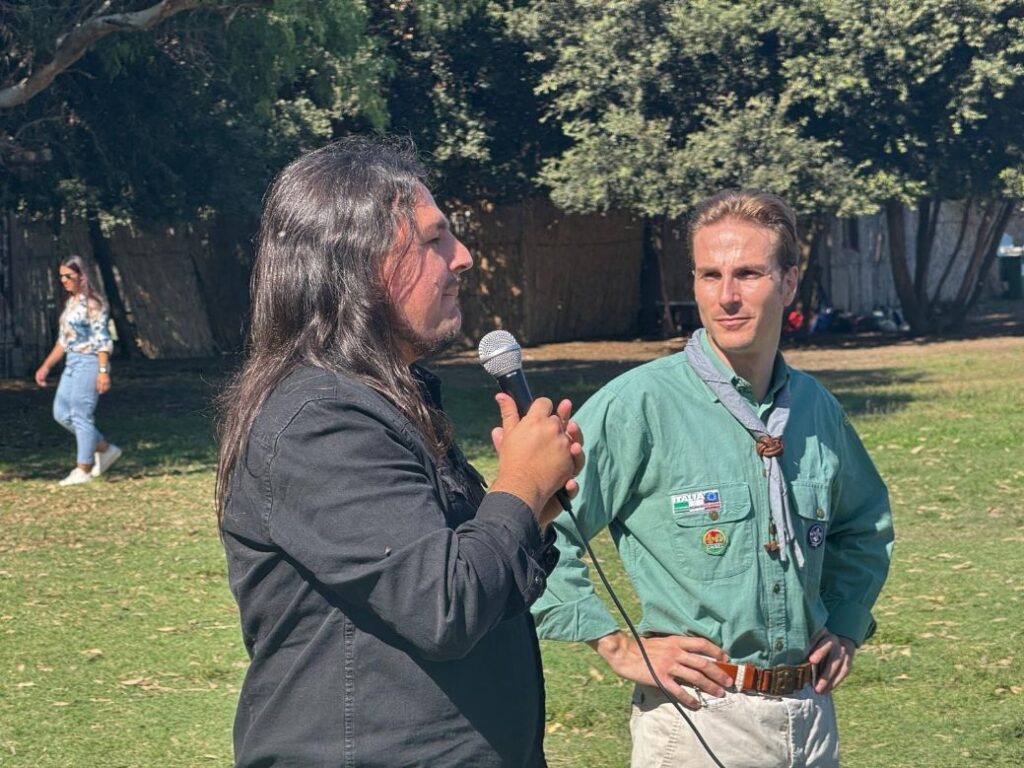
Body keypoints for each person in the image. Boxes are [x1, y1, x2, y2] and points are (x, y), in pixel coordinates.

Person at [215, 136, 584, 767]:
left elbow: (449, 577)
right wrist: (517, 487)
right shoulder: (318, 421)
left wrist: (532, 511)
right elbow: (444, 605)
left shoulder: (384, 401)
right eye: (435, 239)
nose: (463, 257)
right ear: (356, 263)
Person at [532, 189, 894, 767]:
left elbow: (863, 525)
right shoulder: (641, 403)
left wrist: (846, 623)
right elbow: (534, 525)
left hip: (810, 716)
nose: (727, 296)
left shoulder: (815, 409)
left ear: (790, 282)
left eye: (748, 273)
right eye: (709, 275)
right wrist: (616, 644)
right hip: (699, 717)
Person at [34, 255, 122, 486]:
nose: (63, 280)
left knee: (81, 415)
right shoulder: (71, 303)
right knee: (61, 413)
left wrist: (103, 371)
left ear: (82, 277)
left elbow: (102, 340)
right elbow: (63, 341)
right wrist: (46, 366)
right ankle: (104, 448)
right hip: (72, 362)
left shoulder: (94, 304)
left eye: (68, 276)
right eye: (61, 276)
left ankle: (83, 468)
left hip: (90, 361)